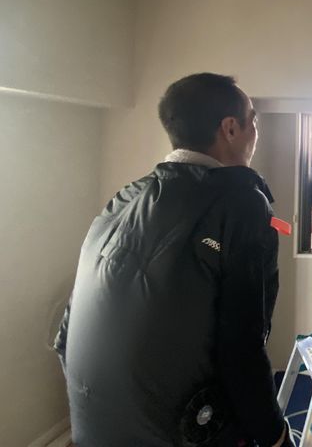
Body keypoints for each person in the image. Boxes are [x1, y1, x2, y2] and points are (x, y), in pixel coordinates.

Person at [54, 73, 290, 447]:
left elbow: (66, 335)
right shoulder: (242, 203)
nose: (255, 132)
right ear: (230, 129)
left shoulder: (126, 197)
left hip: (94, 429)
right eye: (253, 122)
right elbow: (242, 349)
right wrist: (276, 436)